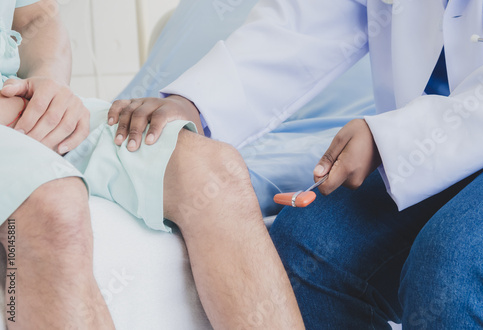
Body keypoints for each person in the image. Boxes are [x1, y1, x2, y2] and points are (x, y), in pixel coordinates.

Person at [114, 0, 483, 328]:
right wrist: (195, 102)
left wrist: (395, 138)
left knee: (453, 267)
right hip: (429, 145)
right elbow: (305, 23)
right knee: (307, 247)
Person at [0, 0, 304, 328]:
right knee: (55, 203)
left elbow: (36, 16)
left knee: (215, 169)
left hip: (18, 102)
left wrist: (49, 88)